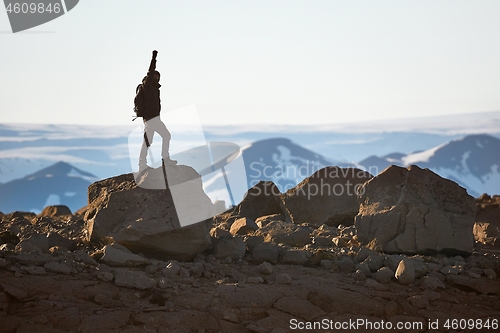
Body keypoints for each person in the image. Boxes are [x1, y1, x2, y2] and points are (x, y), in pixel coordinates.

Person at [138, 50, 176, 172]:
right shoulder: (148, 85)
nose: (157, 78)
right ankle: (165, 159)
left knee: (148, 141)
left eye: (158, 76)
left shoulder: (154, 89)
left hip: (153, 118)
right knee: (166, 135)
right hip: (151, 118)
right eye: (155, 76)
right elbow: (150, 71)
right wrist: (154, 58)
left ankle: (142, 164)